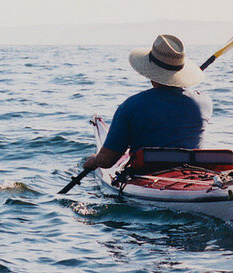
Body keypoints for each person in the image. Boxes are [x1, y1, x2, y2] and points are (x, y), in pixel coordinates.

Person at [80, 33, 212, 173]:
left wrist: (94, 160)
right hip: (191, 172)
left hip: (146, 174)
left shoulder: (130, 106)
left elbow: (107, 161)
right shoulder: (204, 102)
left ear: (150, 71)